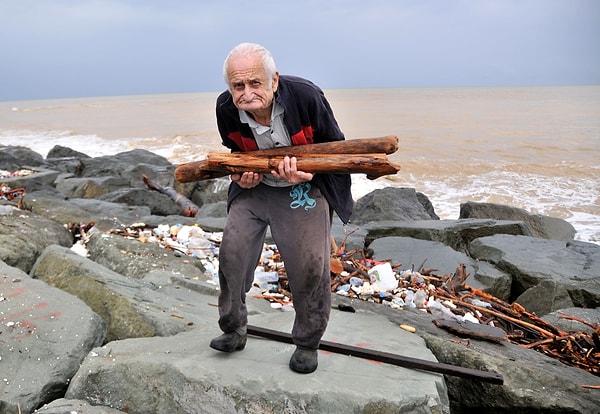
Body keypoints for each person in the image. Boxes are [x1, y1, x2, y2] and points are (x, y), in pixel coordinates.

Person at [209, 42, 353, 374]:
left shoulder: (305, 96)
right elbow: (235, 151)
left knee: (310, 266)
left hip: (303, 187)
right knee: (232, 253)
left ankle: (307, 343)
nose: (246, 93)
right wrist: (241, 175)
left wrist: (311, 170)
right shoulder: (225, 108)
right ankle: (234, 328)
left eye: (254, 83)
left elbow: (337, 146)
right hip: (256, 189)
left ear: (274, 80)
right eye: (237, 86)